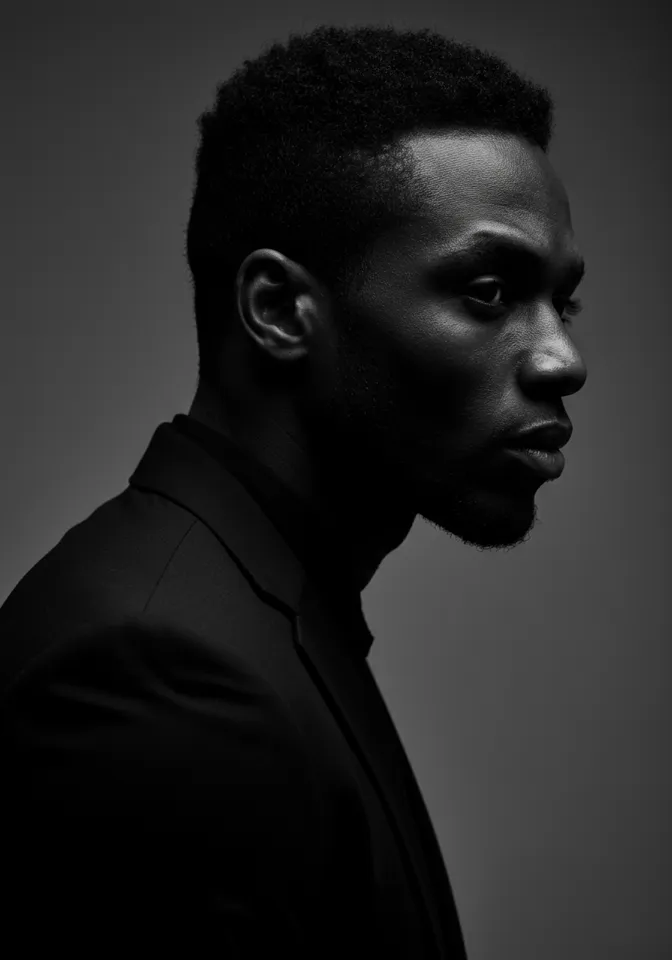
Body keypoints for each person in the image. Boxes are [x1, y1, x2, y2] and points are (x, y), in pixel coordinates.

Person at [0, 23, 587, 958]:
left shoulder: (247, 613)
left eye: (564, 302)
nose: (563, 358)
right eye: (488, 291)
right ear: (277, 310)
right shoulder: (160, 683)